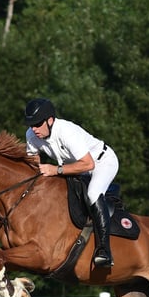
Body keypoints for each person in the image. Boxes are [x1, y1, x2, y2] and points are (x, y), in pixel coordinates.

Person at [23, 98, 119, 268]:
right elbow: (33, 162)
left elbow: (89, 164)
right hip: (77, 167)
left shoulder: (66, 131)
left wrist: (56, 170)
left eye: (38, 124)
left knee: (93, 194)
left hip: (102, 162)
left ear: (50, 120)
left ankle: (104, 251)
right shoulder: (31, 135)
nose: (34, 129)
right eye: (31, 125)